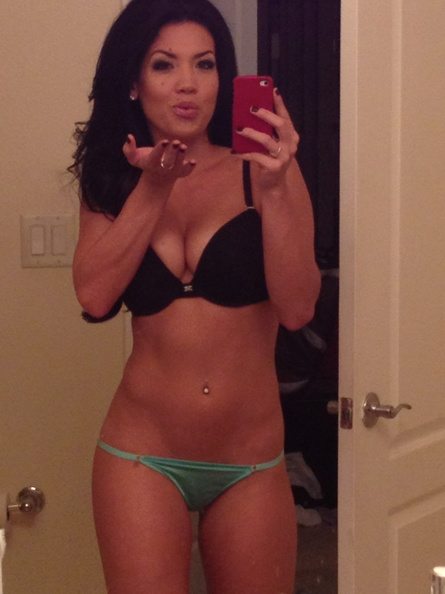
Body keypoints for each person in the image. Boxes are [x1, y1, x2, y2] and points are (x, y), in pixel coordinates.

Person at [70, 0, 320, 592]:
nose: (188, 83)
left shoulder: (264, 169)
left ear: (222, 78)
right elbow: (95, 297)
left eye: (204, 64)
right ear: (134, 82)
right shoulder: (113, 177)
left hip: (249, 463)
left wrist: (276, 188)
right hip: (141, 456)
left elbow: (297, 309)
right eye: (164, 64)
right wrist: (153, 187)